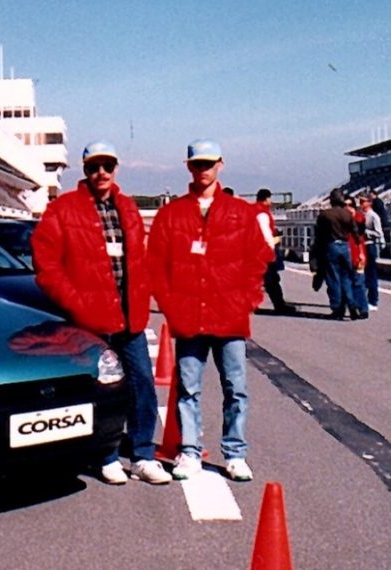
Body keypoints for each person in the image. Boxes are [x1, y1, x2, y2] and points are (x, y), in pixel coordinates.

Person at [30, 140, 172, 486]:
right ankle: (105, 455)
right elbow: (46, 264)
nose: (101, 173)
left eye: (107, 166)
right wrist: (75, 303)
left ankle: (142, 455)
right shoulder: (64, 209)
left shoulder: (127, 207)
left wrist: (145, 293)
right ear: (85, 170)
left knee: (142, 384)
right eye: (94, 167)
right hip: (90, 320)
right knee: (99, 388)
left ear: (116, 168)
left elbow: (141, 257)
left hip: (129, 315)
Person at [147, 139, 272, 482]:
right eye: (197, 164)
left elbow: (259, 258)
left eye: (209, 163)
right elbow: (155, 265)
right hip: (189, 317)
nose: (203, 169)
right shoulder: (171, 214)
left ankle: (235, 453)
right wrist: (171, 306)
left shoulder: (241, 212)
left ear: (220, 164)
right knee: (188, 388)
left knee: (236, 387)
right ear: (189, 167)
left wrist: (248, 299)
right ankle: (189, 451)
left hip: (230, 316)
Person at [314, 189, 367, 320]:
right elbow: (356, 233)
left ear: (331, 200)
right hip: (345, 246)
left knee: (333, 278)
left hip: (331, 245)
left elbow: (319, 236)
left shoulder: (325, 215)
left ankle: (337, 308)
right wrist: (359, 247)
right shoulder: (347, 214)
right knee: (346, 277)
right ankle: (352, 304)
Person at [254, 188, 294, 313]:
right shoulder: (262, 213)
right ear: (266, 199)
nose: (271, 201)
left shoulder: (252, 211)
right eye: (270, 198)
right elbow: (265, 233)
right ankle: (279, 305)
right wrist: (271, 246)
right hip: (263, 252)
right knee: (272, 279)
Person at [359, 195, 385, 311]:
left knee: (371, 274)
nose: (360, 204)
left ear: (369, 203)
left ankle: (373, 301)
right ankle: (362, 299)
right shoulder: (361, 215)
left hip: (369, 246)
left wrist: (366, 232)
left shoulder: (373, 216)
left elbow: (379, 233)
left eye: (363, 202)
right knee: (361, 273)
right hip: (361, 246)